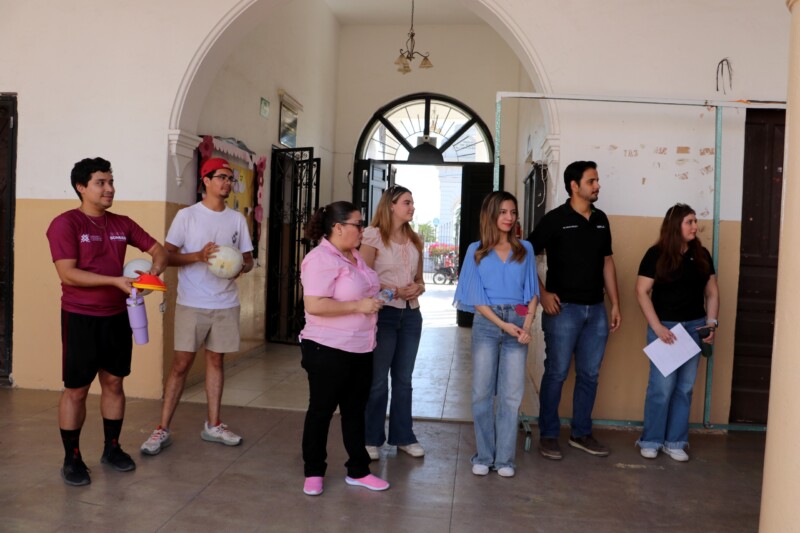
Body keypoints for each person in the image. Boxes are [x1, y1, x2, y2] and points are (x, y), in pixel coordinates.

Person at [46, 157, 168, 486]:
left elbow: (159, 250)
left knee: (114, 382)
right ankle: (72, 458)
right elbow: (67, 273)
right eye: (101, 182)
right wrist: (115, 281)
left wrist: (153, 272)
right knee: (76, 389)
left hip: (117, 316)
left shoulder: (122, 224)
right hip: (80, 317)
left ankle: (112, 449)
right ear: (81, 187)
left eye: (111, 181)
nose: (109, 188)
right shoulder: (65, 224)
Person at [140, 157, 254, 455]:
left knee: (216, 361)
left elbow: (249, 259)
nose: (227, 183)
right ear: (205, 180)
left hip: (226, 303)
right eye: (221, 177)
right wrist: (198, 257)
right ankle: (162, 428)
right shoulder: (187, 216)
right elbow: (167, 256)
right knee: (181, 364)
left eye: (230, 178)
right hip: (192, 302)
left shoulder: (236, 220)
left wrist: (239, 266)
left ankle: (213, 424)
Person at [528, 160, 621, 460]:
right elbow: (525, 256)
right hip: (563, 311)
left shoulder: (601, 219)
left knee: (589, 375)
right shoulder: (555, 219)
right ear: (574, 185)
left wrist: (615, 303)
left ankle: (581, 433)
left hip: (596, 310)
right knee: (556, 373)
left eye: (597, 180)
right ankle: (549, 435)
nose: (597, 186)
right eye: (591, 181)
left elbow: (607, 261)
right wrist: (543, 293)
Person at [298, 201, 390, 496]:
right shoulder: (319, 259)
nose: (363, 230)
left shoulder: (354, 256)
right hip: (327, 348)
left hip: (361, 347)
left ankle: (358, 471)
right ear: (338, 228)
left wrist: (382, 296)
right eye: (358, 225)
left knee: (354, 411)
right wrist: (358, 306)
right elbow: (315, 305)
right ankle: (314, 471)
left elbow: (363, 291)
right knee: (321, 410)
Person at [454, 191, 539, 478]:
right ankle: (484, 456)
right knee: (482, 393)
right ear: (491, 214)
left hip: (518, 321)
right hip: (488, 324)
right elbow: (474, 297)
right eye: (503, 212)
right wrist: (504, 325)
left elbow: (532, 293)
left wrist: (527, 326)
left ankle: (504, 460)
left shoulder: (525, 249)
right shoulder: (476, 250)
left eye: (513, 212)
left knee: (511, 395)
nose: (509, 217)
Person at [634, 203, 719, 462]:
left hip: (695, 327)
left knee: (685, 388)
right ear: (675, 226)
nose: (695, 226)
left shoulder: (702, 254)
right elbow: (641, 291)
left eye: (695, 221)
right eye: (689, 222)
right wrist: (657, 327)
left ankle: (675, 441)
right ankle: (651, 440)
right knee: (662, 388)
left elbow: (712, 292)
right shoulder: (656, 254)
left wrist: (711, 323)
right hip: (666, 330)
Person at [360, 186, 426, 461]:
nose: (412, 207)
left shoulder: (415, 239)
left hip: (411, 315)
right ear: (391, 205)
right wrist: (394, 291)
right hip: (383, 315)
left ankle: (403, 437)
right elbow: (363, 280)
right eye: (406, 202)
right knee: (377, 381)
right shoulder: (372, 236)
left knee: (404, 380)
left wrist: (417, 288)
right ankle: (370, 438)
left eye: (412, 202)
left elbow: (420, 280)